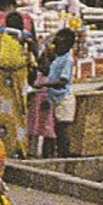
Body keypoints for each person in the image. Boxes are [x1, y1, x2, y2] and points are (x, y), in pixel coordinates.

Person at [0, 0, 34, 158]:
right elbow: (34, 46)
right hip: (19, 76)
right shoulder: (27, 19)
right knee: (19, 113)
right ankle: (18, 147)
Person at [30, 27, 76, 158]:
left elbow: (62, 81)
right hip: (55, 98)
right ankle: (53, 154)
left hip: (63, 98)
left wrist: (43, 85)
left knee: (62, 130)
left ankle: (64, 156)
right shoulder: (57, 58)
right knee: (51, 128)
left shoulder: (68, 60)